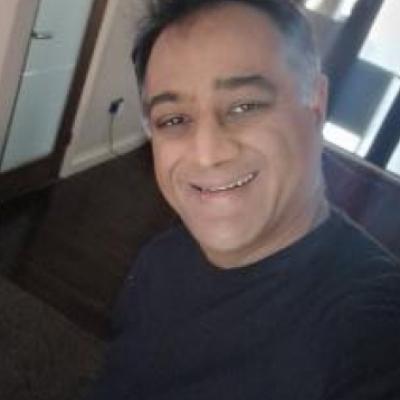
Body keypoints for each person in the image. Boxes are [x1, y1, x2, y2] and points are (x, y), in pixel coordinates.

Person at [90, 0, 400, 399]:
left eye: (244, 106)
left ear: (316, 104)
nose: (206, 154)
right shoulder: (158, 259)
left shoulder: (372, 330)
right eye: (174, 119)